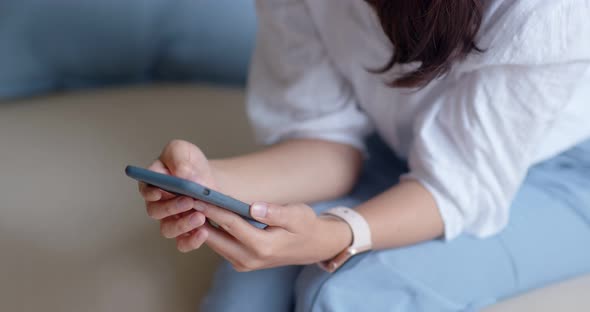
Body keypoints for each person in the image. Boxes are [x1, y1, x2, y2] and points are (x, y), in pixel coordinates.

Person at [137, 0, 590, 311]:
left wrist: (338, 233)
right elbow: (327, 143)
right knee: (245, 296)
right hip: (402, 149)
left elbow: (457, 186)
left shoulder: (542, 10)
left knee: (345, 295)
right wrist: (210, 179)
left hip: (561, 171)